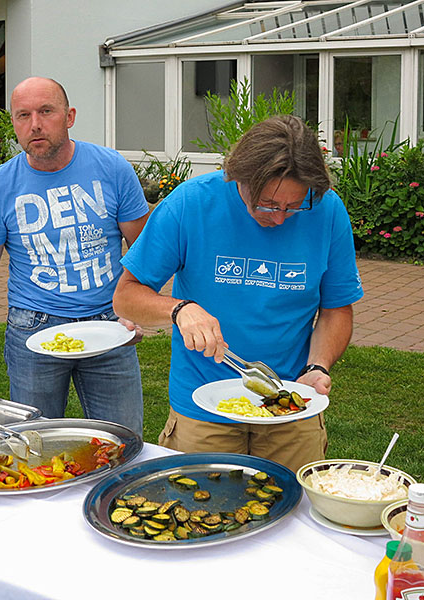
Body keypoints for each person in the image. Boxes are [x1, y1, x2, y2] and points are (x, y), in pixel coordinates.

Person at [112, 115, 364, 472]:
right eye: (266, 205)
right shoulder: (191, 204)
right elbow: (126, 296)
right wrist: (181, 309)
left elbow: (337, 309)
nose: (279, 219)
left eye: (293, 207)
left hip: (290, 403)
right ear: (240, 178)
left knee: (294, 517)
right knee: (200, 516)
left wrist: (316, 366)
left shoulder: (327, 210)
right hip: (203, 404)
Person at [0, 76, 149, 435]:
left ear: (69, 116)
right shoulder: (0, 184)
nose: (35, 125)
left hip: (109, 326)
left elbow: (144, 253)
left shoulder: (112, 168)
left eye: (46, 111)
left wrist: (134, 313)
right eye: (22, 115)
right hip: (33, 330)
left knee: (123, 442)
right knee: (35, 445)